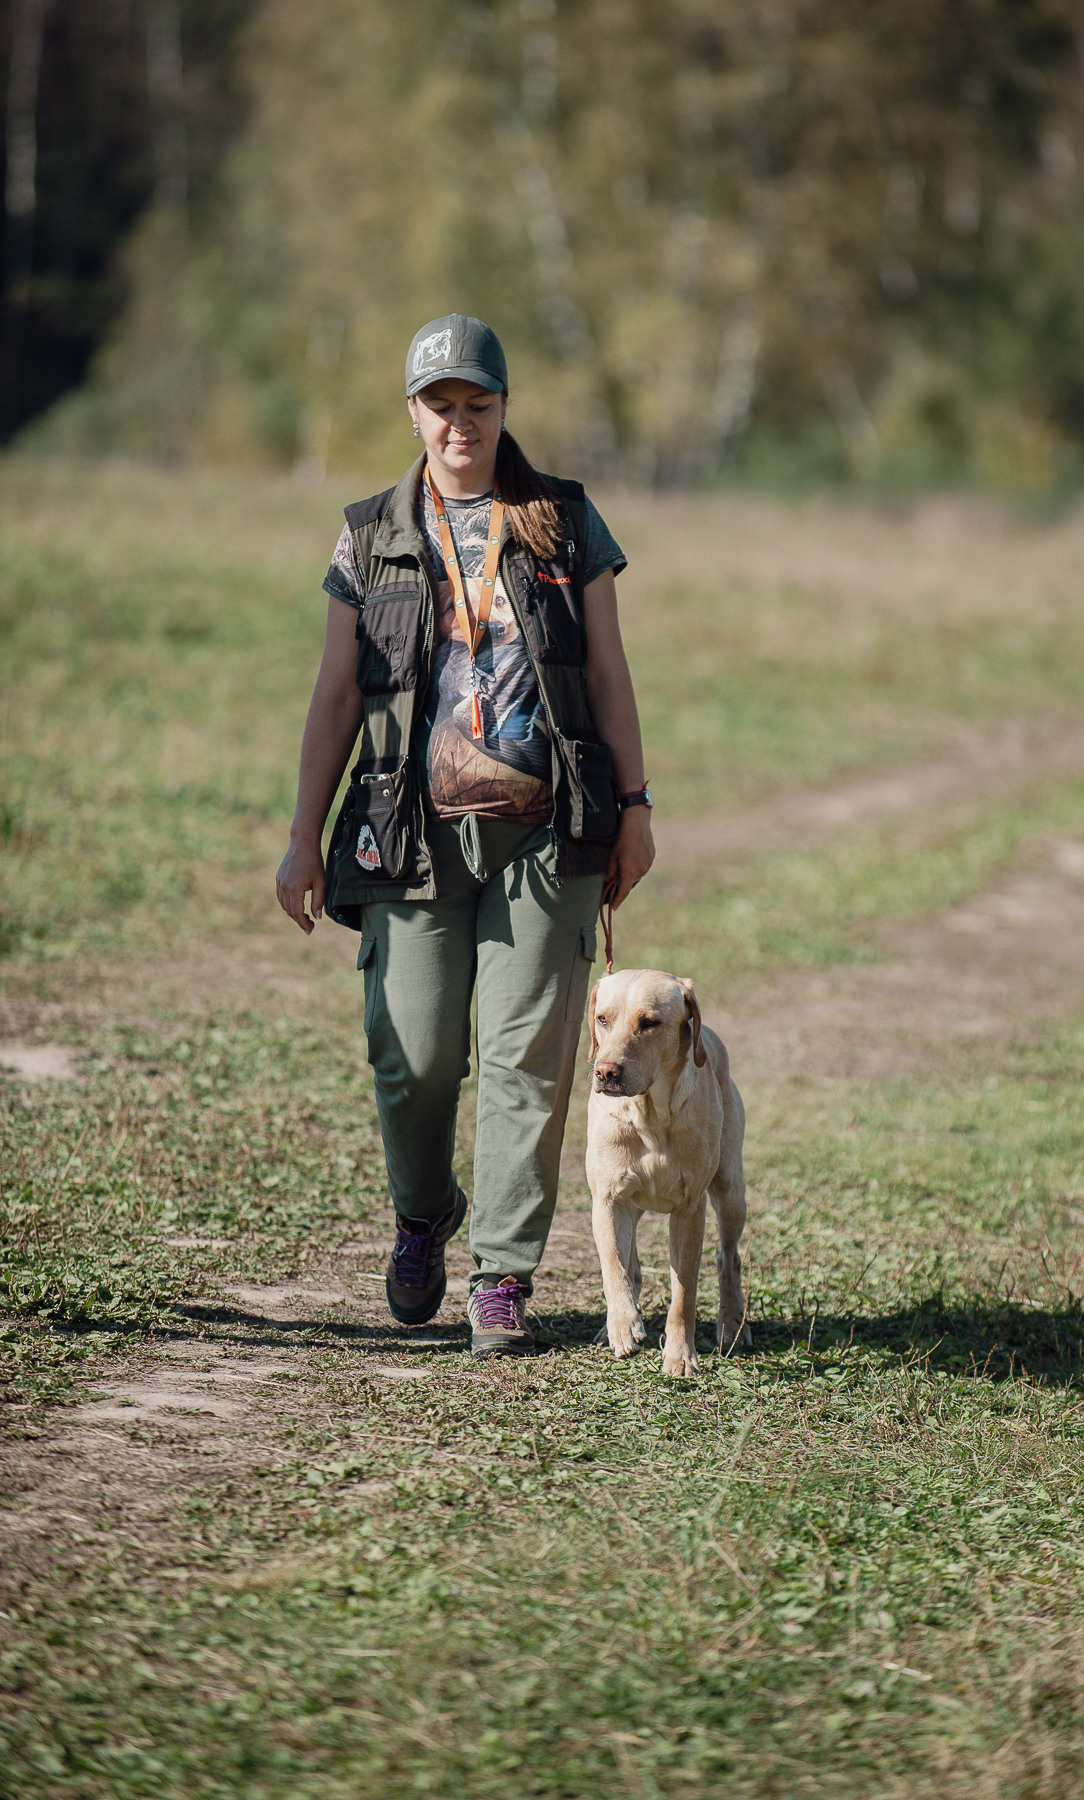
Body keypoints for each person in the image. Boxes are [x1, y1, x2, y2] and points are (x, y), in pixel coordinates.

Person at [275, 313, 654, 1358]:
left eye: (476, 404)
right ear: (413, 412)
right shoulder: (369, 534)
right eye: (439, 405)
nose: (459, 424)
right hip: (406, 832)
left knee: (527, 1060)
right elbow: (337, 693)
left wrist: (634, 806)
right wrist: (303, 836)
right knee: (414, 1055)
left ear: (501, 407)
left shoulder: (565, 521)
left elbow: (609, 673)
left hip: (549, 834)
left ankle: (500, 1278)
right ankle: (422, 1214)